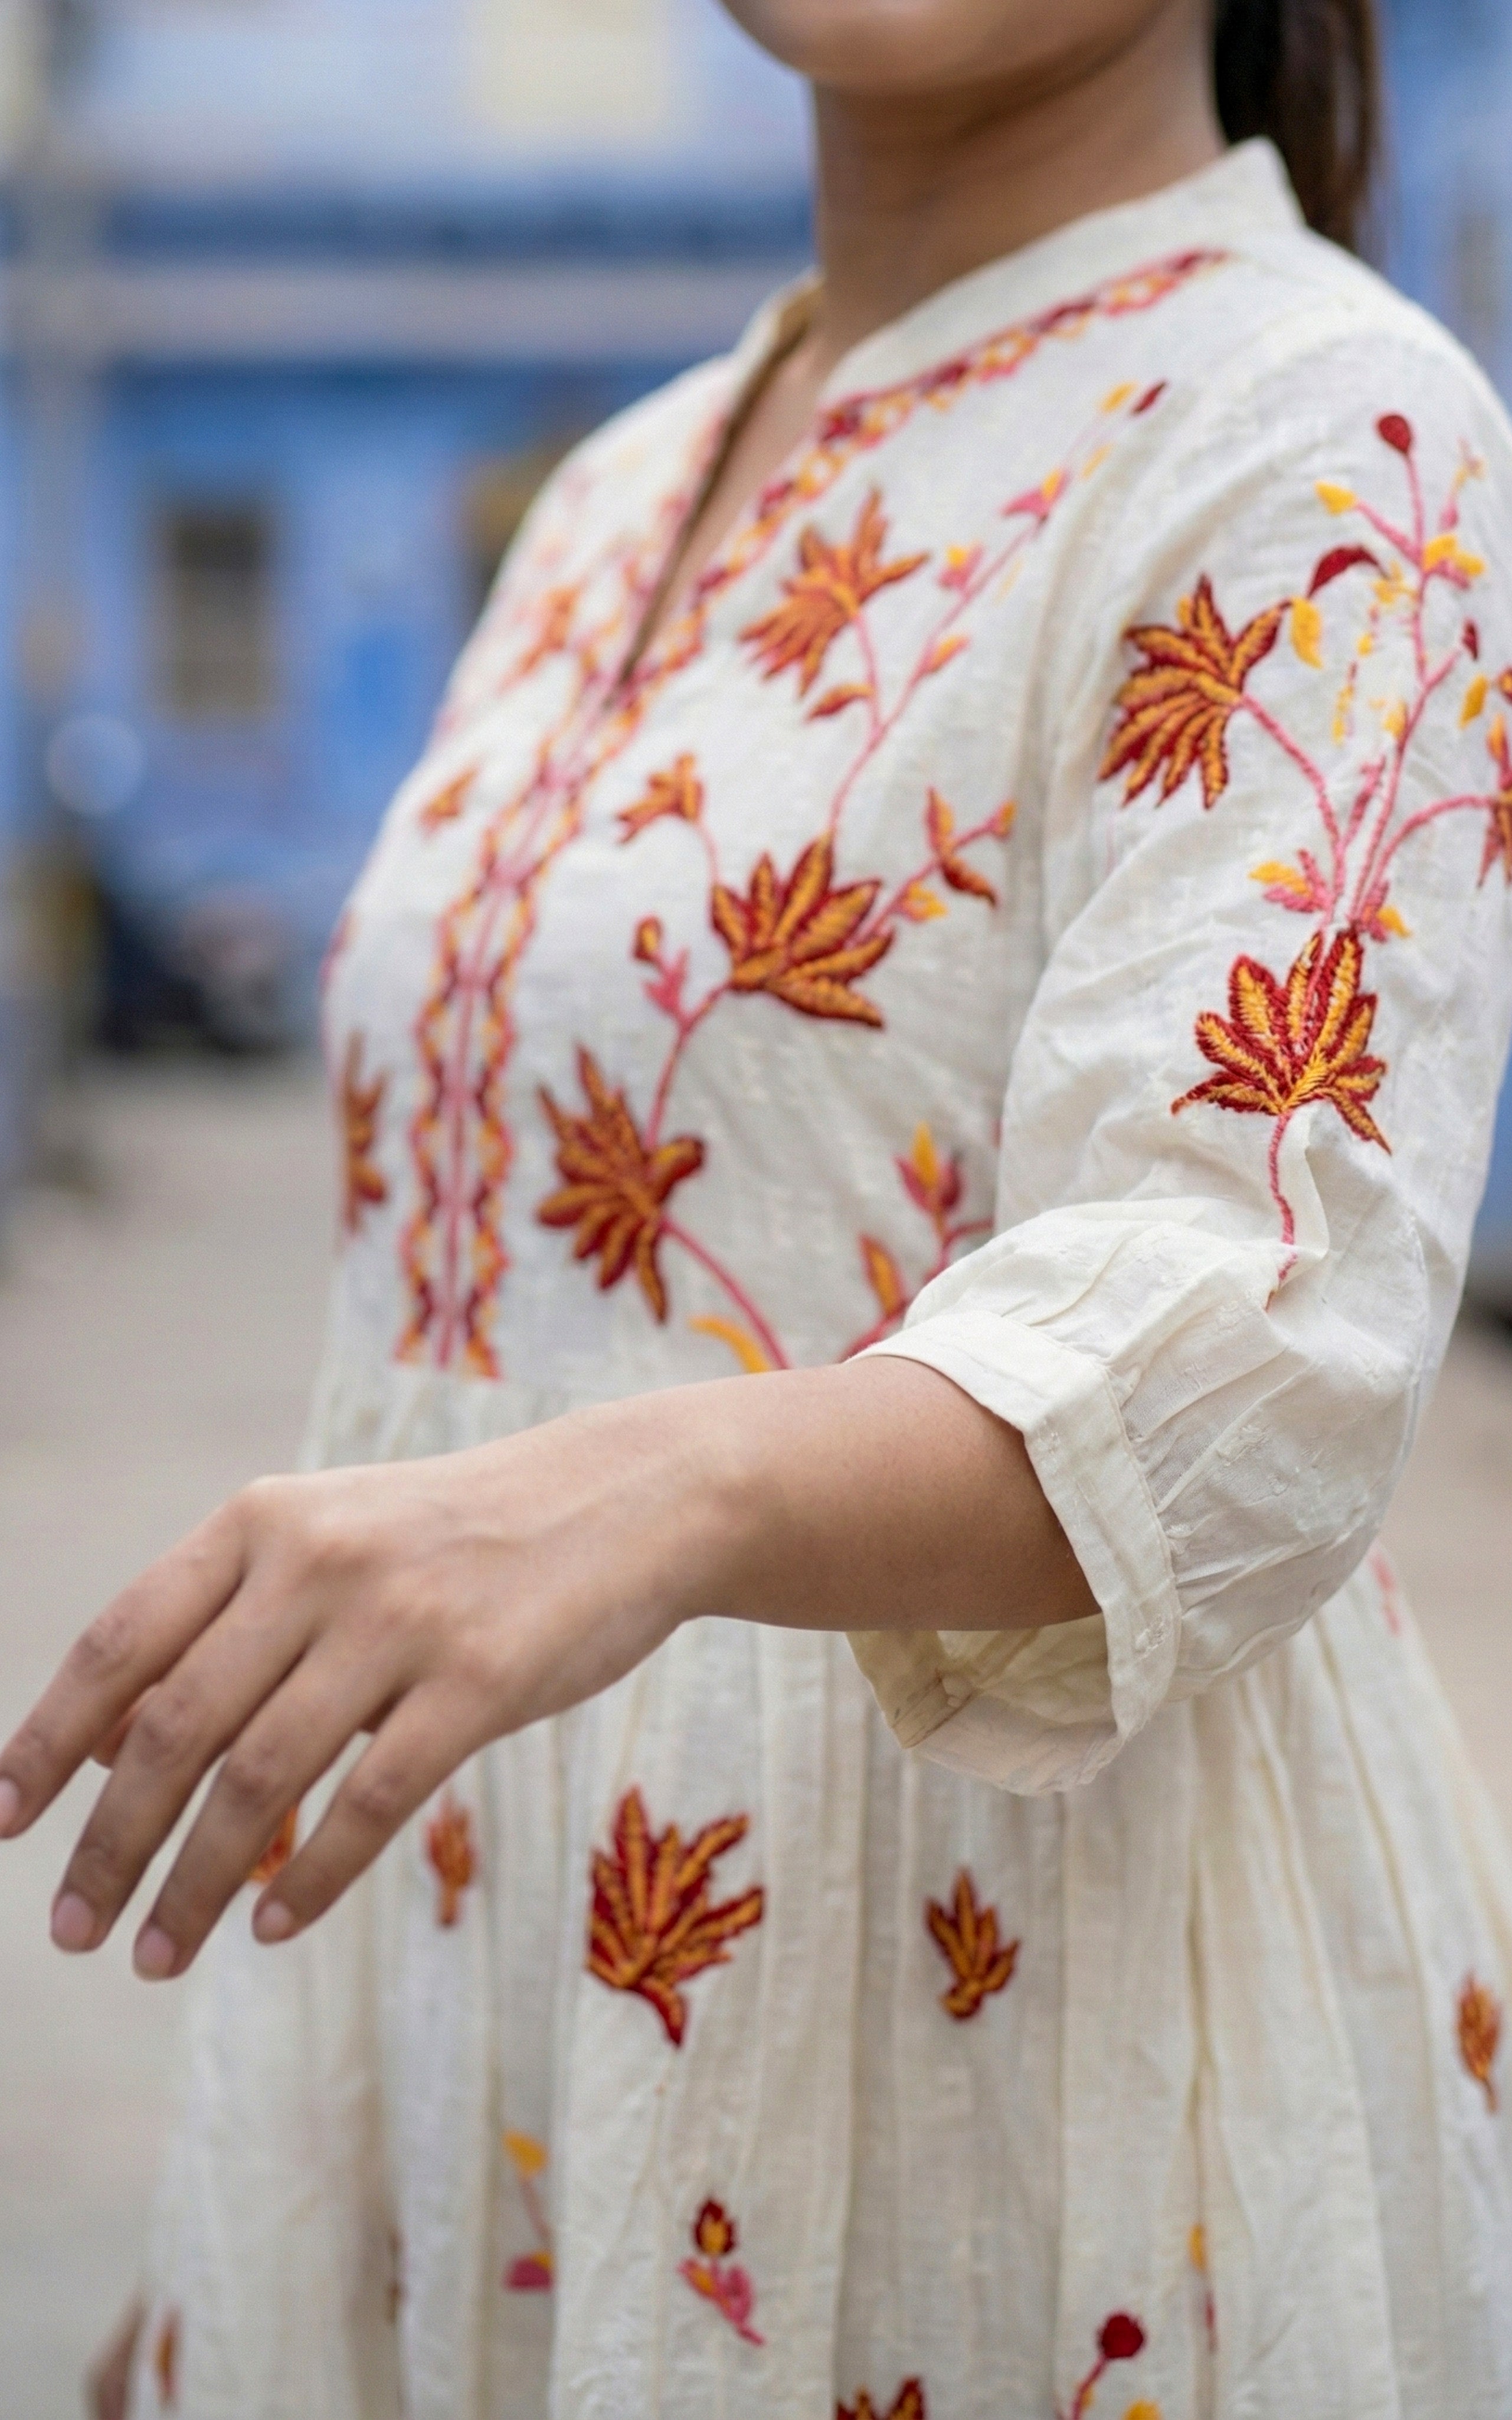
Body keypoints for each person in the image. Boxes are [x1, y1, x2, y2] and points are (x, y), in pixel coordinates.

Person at [13, 0, 1512, 2410]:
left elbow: (1258, 1316)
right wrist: (277, 2215)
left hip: (986, 2027)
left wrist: (656, 1486)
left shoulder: (1311, 420)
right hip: (487, 2022)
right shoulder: (612, 486)